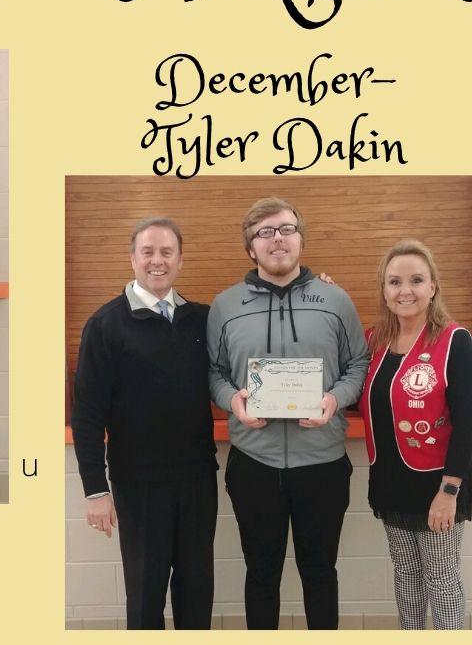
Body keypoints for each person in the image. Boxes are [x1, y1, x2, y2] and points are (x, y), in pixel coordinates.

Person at [207, 197, 369, 630]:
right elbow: (215, 372)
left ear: (300, 240)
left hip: (323, 464)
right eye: (265, 232)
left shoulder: (335, 300)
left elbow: (359, 363)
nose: (277, 238)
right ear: (251, 248)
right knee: (261, 575)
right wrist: (231, 401)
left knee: (320, 573)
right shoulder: (224, 306)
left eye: (286, 229)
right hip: (253, 466)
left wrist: (335, 398)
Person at [71, 217, 217, 630]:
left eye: (166, 252)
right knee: (145, 593)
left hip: (197, 480)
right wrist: (95, 490)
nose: (157, 261)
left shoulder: (202, 320)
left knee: (196, 591)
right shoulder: (105, 326)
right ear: (133, 258)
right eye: (148, 252)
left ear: (180, 260)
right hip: (139, 486)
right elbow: (86, 415)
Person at [359, 240, 472, 629]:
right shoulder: (375, 340)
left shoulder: (454, 341)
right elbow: (357, 398)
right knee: (406, 574)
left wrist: (449, 491)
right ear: (384, 290)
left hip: (437, 485)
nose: (404, 290)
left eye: (415, 280)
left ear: (433, 287)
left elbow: (469, 422)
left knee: (441, 579)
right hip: (392, 481)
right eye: (394, 281)